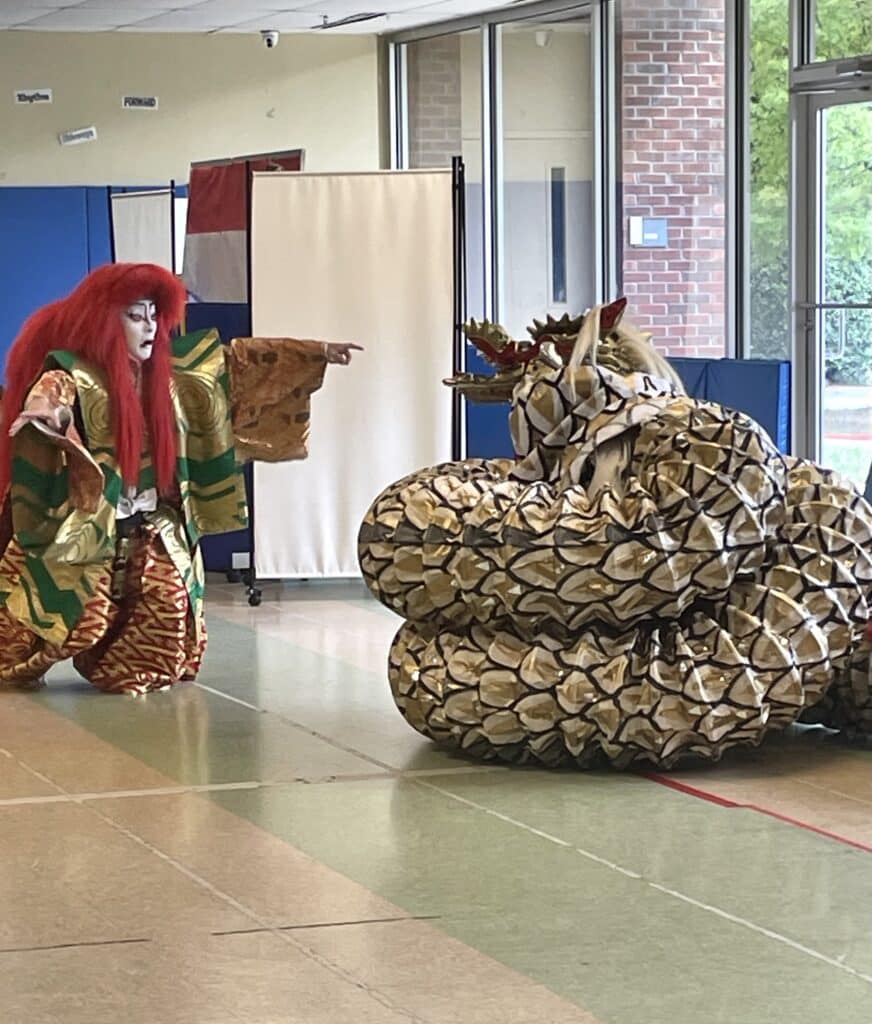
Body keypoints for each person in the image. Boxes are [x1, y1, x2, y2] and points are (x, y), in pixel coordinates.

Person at [0, 263, 360, 695]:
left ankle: (133, 669)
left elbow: (242, 361)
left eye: (155, 314)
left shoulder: (178, 378)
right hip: (87, 521)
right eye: (135, 315)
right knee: (45, 612)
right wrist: (43, 417)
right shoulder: (75, 374)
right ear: (105, 321)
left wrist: (316, 350)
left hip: (154, 523)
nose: (150, 326)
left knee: (167, 608)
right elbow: (49, 398)